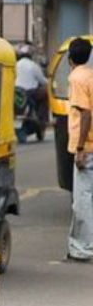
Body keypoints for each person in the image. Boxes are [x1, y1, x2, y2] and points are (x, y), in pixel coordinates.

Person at [65, 36, 93, 263]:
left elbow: (85, 113)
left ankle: (82, 248)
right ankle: (77, 246)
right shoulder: (90, 75)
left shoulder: (77, 78)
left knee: (82, 200)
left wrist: (81, 148)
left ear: (70, 58)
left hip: (88, 148)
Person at [15, 43, 48, 125]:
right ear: (30, 55)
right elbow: (42, 81)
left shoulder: (15, 65)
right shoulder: (33, 65)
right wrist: (49, 82)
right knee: (46, 94)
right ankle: (42, 119)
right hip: (30, 93)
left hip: (16, 91)